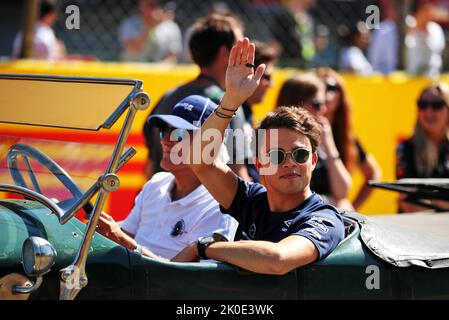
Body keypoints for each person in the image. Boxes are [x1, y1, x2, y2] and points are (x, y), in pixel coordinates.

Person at [172, 38, 345, 275]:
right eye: (276, 155)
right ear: (259, 163)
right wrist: (231, 101)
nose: (290, 162)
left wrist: (204, 248)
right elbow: (200, 162)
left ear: (313, 161)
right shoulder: (251, 201)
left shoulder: (323, 218)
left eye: (300, 154)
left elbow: (277, 260)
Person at [96, 95, 237, 259]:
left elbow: (195, 279)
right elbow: (124, 235)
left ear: (210, 144)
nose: (165, 141)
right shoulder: (156, 183)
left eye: (179, 134)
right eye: (164, 131)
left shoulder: (221, 206)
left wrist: (126, 243)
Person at [143, 13, 252, 181]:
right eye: (239, 47)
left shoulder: (168, 96)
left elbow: (150, 165)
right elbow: (238, 175)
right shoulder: (228, 104)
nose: (246, 55)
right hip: (208, 204)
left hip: (165, 199)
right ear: (225, 53)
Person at [276, 72, 354, 211]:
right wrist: (325, 201)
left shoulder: (318, 136)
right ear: (296, 104)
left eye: (324, 103)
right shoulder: (268, 136)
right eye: (317, 104)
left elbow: (343, 191)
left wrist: (329, 144)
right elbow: (271, 192)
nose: (324, 109)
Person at [316, 68, 382, 210]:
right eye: (319, 86)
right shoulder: (292, 133)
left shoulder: (346, 137)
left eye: (331, 87)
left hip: (337, 212)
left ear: (341, 96)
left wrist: (353, 207)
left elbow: (373, 174)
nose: (325, 93)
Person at [396, 83, 449, 212]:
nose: (428, 111)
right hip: (413, 227)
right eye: (422, 105)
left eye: (437, 104)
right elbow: (406, 201)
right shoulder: (406, 147)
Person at [240, 41, 278, 182]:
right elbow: (237, 172)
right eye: (266, 77)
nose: (271, 84)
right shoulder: (230, 112)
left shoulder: (245, 112)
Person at [405, 1, 446, 78]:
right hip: (413, 77)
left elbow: (438, 50)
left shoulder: (436, 29)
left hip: (432, 76)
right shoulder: (410, 29)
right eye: (424, 12)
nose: (427, 16)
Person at [368, 0, 399, 74]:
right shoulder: (382, 29)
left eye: (396, 9)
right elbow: (374, 54)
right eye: (392, 9)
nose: (395, 12)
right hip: (380, 71)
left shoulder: (399, 27)